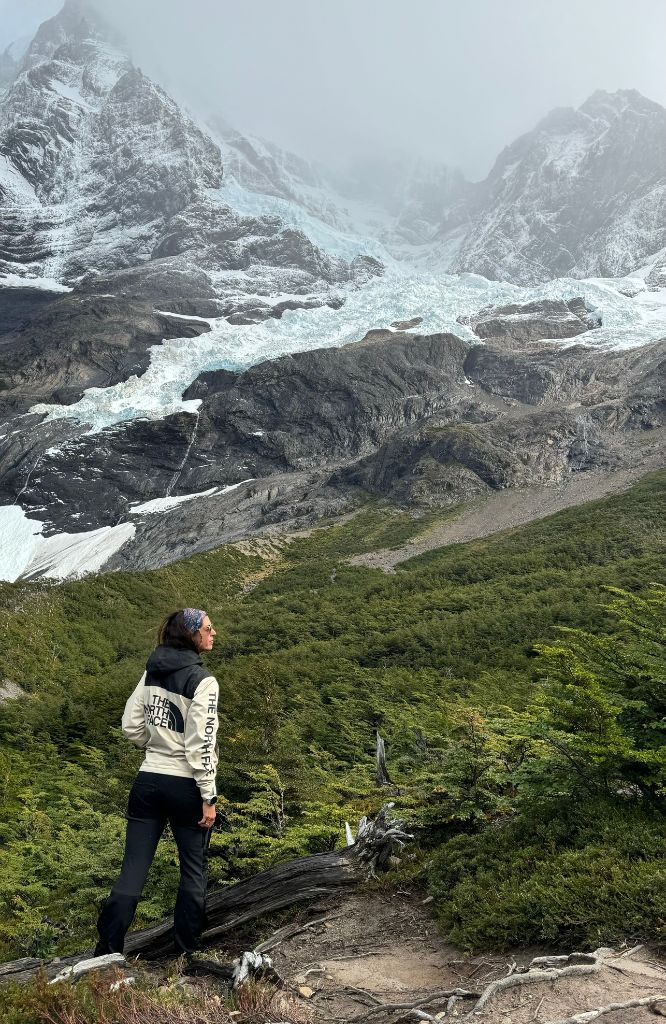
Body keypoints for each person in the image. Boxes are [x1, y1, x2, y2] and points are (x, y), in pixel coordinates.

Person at [95, 608, 219, 959]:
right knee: (193, 870)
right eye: (208, 629)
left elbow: (131, 726)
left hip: (148, 781)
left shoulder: (151, 671)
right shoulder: (203, 681)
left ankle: (106, 952)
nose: (214, 633)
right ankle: (185, 955)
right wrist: (208, 796)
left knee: (132, 872)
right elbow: (201, 744)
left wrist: (156, 745)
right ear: (192, 635)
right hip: (186, 786)